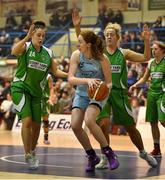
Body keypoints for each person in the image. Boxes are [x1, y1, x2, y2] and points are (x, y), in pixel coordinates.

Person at [72, 10, 158, 169]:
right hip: (102, 93)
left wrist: (146, 41)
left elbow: (146, 57)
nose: (109, 36)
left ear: (118, 37)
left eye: (112, 34)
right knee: (102, 124)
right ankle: (105, 156)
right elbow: (84, 44)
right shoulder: (99, 53)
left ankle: (143, 152)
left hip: (119, 93)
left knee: (131, 127)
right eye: (106, 34)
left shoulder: (124, 53)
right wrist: (78, 27)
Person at [11, 21, 67, 170]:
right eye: (38, 35)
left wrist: (71, 75)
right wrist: (26, 38)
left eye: (43, 35)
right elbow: (14, 51)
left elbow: (56, 71)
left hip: (37, 93)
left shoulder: (48, 53)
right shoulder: (26, 47)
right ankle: (28, 154)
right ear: (32, 35)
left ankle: (33, 151)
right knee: (27, 121)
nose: (41, 38)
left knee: (37, 126)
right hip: (20, 88)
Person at [68, 29, 119, 172]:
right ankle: (91, 155)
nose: (77, 45)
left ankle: (109, 153)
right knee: (75, 125)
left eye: (80, 42)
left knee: (90, 120)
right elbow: (71, 79)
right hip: (82, 93)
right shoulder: (76, 55)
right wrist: (87, 80)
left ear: (88, 44)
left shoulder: (103, 59)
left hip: (98, 95)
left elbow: (109, 82)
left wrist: (101, 90)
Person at [129, 41, 165, 158]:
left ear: (162, 50)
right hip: (152, 94)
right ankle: (157, 149)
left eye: (156, 49)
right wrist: (135, 84)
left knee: (163, 121)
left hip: (162, 94)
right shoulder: (150, 63)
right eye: (152, 49)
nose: (153, 51)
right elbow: (144, 78)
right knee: (153, 122)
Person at [41, 73, 57, 145]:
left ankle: (46, 138)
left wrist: (51, 97)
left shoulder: (48, 76)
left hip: (45, 100)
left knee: (45, 120)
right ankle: (34, 138)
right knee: (35, 120)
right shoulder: (34, 73)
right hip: (36, 99)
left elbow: (51, 88)